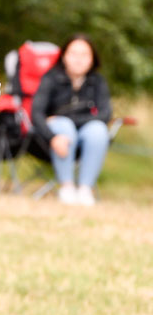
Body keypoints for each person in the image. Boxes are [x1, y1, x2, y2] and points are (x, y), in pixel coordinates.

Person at [31, 34, 112, 206]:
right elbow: (36, 113)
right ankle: (66, 187)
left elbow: (106, 114)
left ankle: (84, 189)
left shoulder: (97, 81)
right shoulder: (51, 78)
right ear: (64, 56)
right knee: (64, 127)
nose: (79, 59)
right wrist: (53, 136)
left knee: (98, 129)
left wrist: (70, 121)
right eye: (74, 53)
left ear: (92, 59)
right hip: (51, 140)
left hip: (86, 138)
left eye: (85, 55)